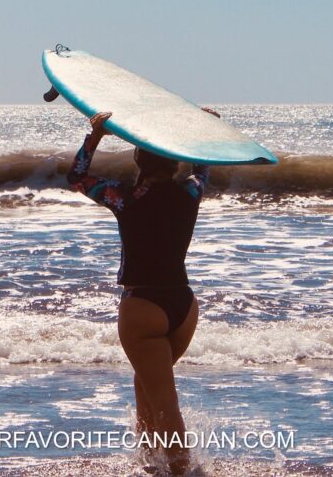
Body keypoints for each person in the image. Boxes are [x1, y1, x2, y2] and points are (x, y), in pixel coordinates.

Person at [66, 108, 218, 475]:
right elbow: (203, 168)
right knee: (148, 386)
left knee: (164, 402)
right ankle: (151, 465)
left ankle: (182, 471)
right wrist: (202, 128)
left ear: (138, 158)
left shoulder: (124, 198)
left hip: (143, 306)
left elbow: (77, 177)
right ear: (174, 163)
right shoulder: (191, 193)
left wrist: (96, 136)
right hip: (183, 305)